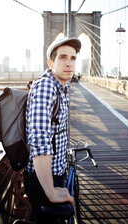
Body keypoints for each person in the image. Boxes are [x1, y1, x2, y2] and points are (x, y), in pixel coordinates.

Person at [24, 37, 81, 223]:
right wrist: (50, 191)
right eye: (63, 57)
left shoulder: (63, 85)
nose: (69, 63)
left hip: (55, 171)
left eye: (73, 58)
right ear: (51, 62)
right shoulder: (46, 87)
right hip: (44, 179)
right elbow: (39, 140)